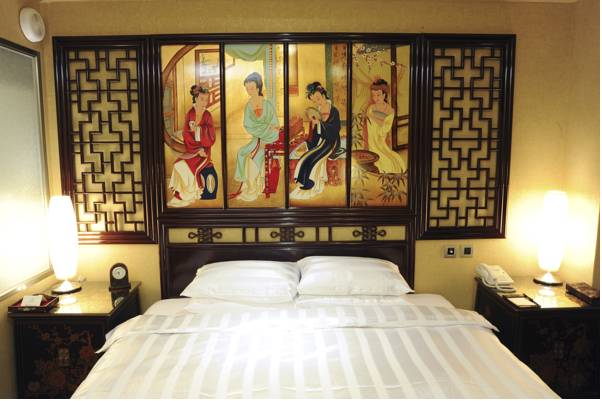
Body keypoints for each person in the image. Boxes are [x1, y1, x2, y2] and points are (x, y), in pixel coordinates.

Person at [230, 72, 280, 202]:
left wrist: (264, 130)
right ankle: (244, 183)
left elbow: (275, 126)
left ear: (258, 88)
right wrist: (264, 128)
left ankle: (254, 188)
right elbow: (248, 125)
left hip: (269, 138)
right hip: (257, 138)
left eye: (252, 88)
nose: (249, 91)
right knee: (241, 153)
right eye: (247, 89)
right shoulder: (248, 106)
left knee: (255, 158)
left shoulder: (267, 105)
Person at [291, 82, 344, 200]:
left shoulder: (334, 111)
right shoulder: (318, 110)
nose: (317, 102)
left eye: (318, 98)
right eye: (315, 101)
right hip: (320, 140)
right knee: (306, 157)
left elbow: (335, 129)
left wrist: (319, 124)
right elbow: (316, 132)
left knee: (313, 158)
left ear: (324, 94)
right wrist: (315, 127)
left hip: (331, 141)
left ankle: (310, 182)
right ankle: (303, 181)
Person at [167, 85, 217, 207]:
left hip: (204, 150)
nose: (204, 102)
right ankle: (181, 195)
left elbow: (212, 136)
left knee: (185, 167)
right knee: (178, 165)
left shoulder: (207, 115)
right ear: (196, 98)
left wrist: (198, 130)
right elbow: (185, 133)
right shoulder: (190, 113)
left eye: (206, 100)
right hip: (193, 149)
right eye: (202, 99)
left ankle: (189, 195)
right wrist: (195, 148)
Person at [363, 78, 406, 174]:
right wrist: (380, 120)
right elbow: (370, 128)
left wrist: (377, 120)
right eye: (373, 95)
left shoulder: (390, 110)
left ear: (384, 95)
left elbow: (385, 129)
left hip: (381, 140)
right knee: (381, 161)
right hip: (372, 142)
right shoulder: (371, 108)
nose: (375, 98)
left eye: (378, 95)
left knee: (392, 160)